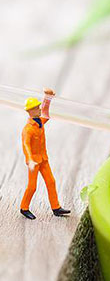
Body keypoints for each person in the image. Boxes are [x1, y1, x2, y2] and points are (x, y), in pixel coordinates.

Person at [20, 88, 70, 220]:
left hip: (44, 159)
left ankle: (56, 208)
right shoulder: (28, 129)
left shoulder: (40, 122)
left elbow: (46, 113)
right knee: (32, 187)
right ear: (30, 111)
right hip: (34, 161)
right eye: (36, 108)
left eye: (38, 107)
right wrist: (29, 160)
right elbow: (25, 145)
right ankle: (24, 208)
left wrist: (47, 98)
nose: (39, 109)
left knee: (51, 181)